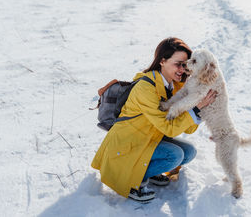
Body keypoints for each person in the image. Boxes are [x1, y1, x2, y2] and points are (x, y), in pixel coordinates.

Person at [91, 37, 217, 202]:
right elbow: (168, 128)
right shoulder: (146, 87)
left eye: (185, 64)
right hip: (127, 144)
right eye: (178, 64)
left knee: (189, 152)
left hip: (148, 138)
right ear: (162, 61)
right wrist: (195, 108)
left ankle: (148, 169)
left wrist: (199, 109)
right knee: (175, 155)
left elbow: (187, 128)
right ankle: (132, 181)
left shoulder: (176, 86)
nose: (183, 69)